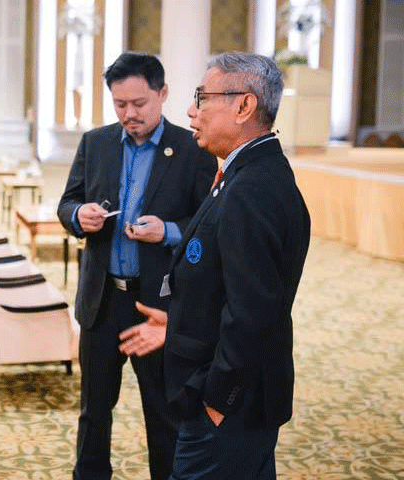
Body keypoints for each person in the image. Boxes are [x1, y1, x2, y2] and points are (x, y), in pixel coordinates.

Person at [119, 51, 311, 479]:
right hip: (234, 398)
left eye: (202, 98)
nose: (191, 110)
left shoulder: (253, 188)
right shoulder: (245, 172)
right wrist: (179, 324)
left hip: (230, 407)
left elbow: (253, 313)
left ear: (244, 106)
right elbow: (225, 285)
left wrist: (217, 402)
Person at [57, 52, 217, 480]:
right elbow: (67, 203)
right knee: (94, 413)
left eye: (139, 103)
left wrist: (168, 231)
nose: (129, 113)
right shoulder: (95, 143)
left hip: (158, 307)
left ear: (162, 94)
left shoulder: (192, 149)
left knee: (164, 415)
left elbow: (208, 226)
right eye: (120, 104)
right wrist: (79, 216)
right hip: (102, 301)